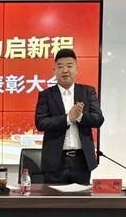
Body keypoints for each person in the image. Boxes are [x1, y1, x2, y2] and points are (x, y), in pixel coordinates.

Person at [34, 48, 104, 184]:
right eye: (60, 66)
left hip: (82, 161)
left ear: (77, 69)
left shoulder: (88, 92)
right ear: (54, 71)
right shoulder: (46, 95)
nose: (65, 70)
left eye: (70, 66)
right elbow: (40, 122)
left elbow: (98, 119)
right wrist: (68, 118)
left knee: (81, 197)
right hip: (55, 161)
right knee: (53, 196)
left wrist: (80, 116)